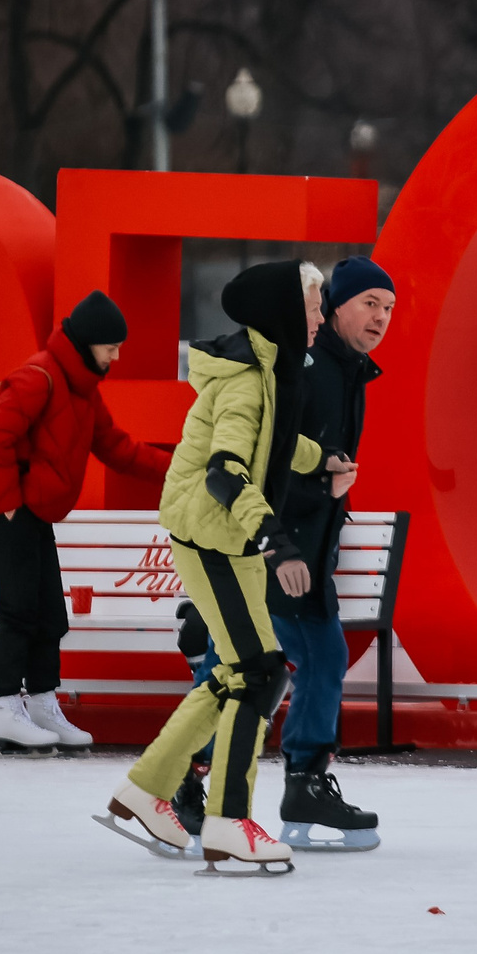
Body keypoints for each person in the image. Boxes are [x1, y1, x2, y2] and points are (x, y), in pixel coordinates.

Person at [100, 261, 327, 874]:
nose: (320, 318)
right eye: (311, 307)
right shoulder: (248, 382)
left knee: (238, 672)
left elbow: (273, 442)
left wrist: (320, 461)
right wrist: (276, 540)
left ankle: (146, 790)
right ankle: (228, 821)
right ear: (284, 310)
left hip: (225, 540)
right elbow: (227, 470)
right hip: (213, 536)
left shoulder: (269, 374)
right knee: (260, 672)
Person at [0, 290, 172, 749]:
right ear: (88, 343)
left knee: (49, 614)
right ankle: (3, 708)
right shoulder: (39, 377)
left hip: (33, 515)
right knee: (19, 609)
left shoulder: (83, 390)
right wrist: (9, 503)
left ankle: (41, 703)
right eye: (111, 347)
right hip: (7, 511)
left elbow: (117, 447)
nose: (117, 356)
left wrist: (177, 468)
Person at [263, 256, 394, 850]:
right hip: (272, 547)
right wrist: (284, 543)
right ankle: (188, 784)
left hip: (305, 549)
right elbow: (267, 463)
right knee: (253, 670)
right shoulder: (312, 371)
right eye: (369, 303)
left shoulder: (346, 371)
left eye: (388, 308)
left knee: (315, 657)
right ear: (335, 306)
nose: (380, 317)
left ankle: (304, 781)